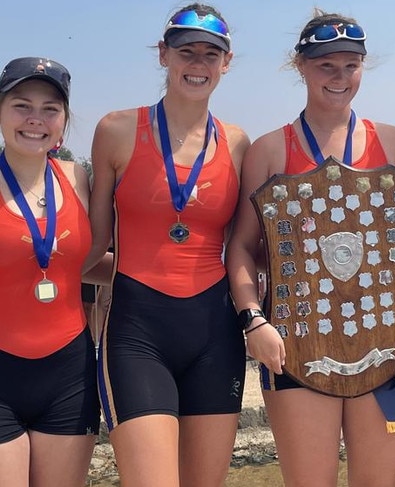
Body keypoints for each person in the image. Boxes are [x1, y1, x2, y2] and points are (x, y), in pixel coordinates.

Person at [226, 9, 395, 487]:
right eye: (326, 65)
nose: (340, 77)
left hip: (387, 336)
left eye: (351, 64)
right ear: (300, 65)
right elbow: (241, 247)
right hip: (297, 341)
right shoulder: (269, 150)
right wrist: (253, 319)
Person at [84, 4, 250, 486]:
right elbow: (93, 247)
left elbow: (244, 250)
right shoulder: (116, 130)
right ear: (164, 55)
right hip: (137, 332)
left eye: (210, 55)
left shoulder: (238, 143)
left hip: (215, 334)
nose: (197, 64)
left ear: (227, 62)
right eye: (186, 52)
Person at [0, 57, 99, 486]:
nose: (35, 120)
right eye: (22, 105)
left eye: (50, 109)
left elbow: (87, 263)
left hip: (70, 374)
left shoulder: (77, 178)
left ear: (64, 120)